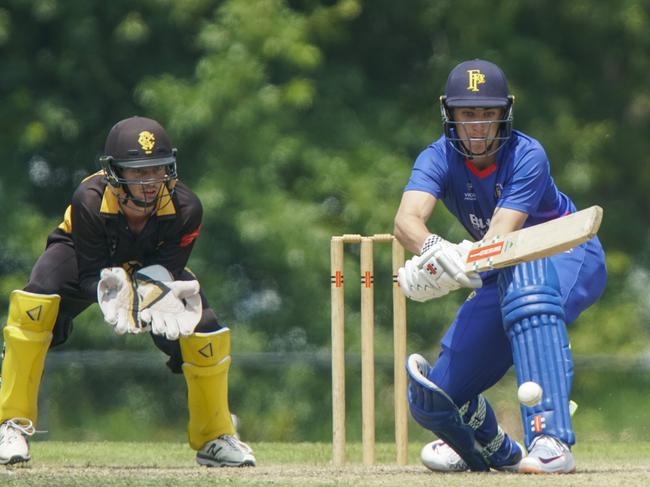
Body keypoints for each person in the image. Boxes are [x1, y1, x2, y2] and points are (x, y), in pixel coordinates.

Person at [0, 116, 255, 467]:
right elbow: (90, 272)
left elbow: (167, 272)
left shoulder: (187, 208)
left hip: (153, 270)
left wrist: (152, 299)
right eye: (138, 172)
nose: (150, 182)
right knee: (37, 299)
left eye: (157, 169)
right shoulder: (88, 199)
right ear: (115, 173)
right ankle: (9, 423)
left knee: (205, 327)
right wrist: (110, 291)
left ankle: (215, 436)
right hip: (81, 257)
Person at [394, 59, 606, 474]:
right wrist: (434, 249)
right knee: (438, 393)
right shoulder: (435, 157)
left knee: (530, 293)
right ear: (450, 114)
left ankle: (550, 439)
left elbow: (501, 238)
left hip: (564, 252)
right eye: (468, 114)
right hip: (501, 266)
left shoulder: (528, 154)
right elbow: (406, 221)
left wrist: (456, 268)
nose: (478, 126)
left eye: (488, 115)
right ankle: (487, 441)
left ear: (503, 114)